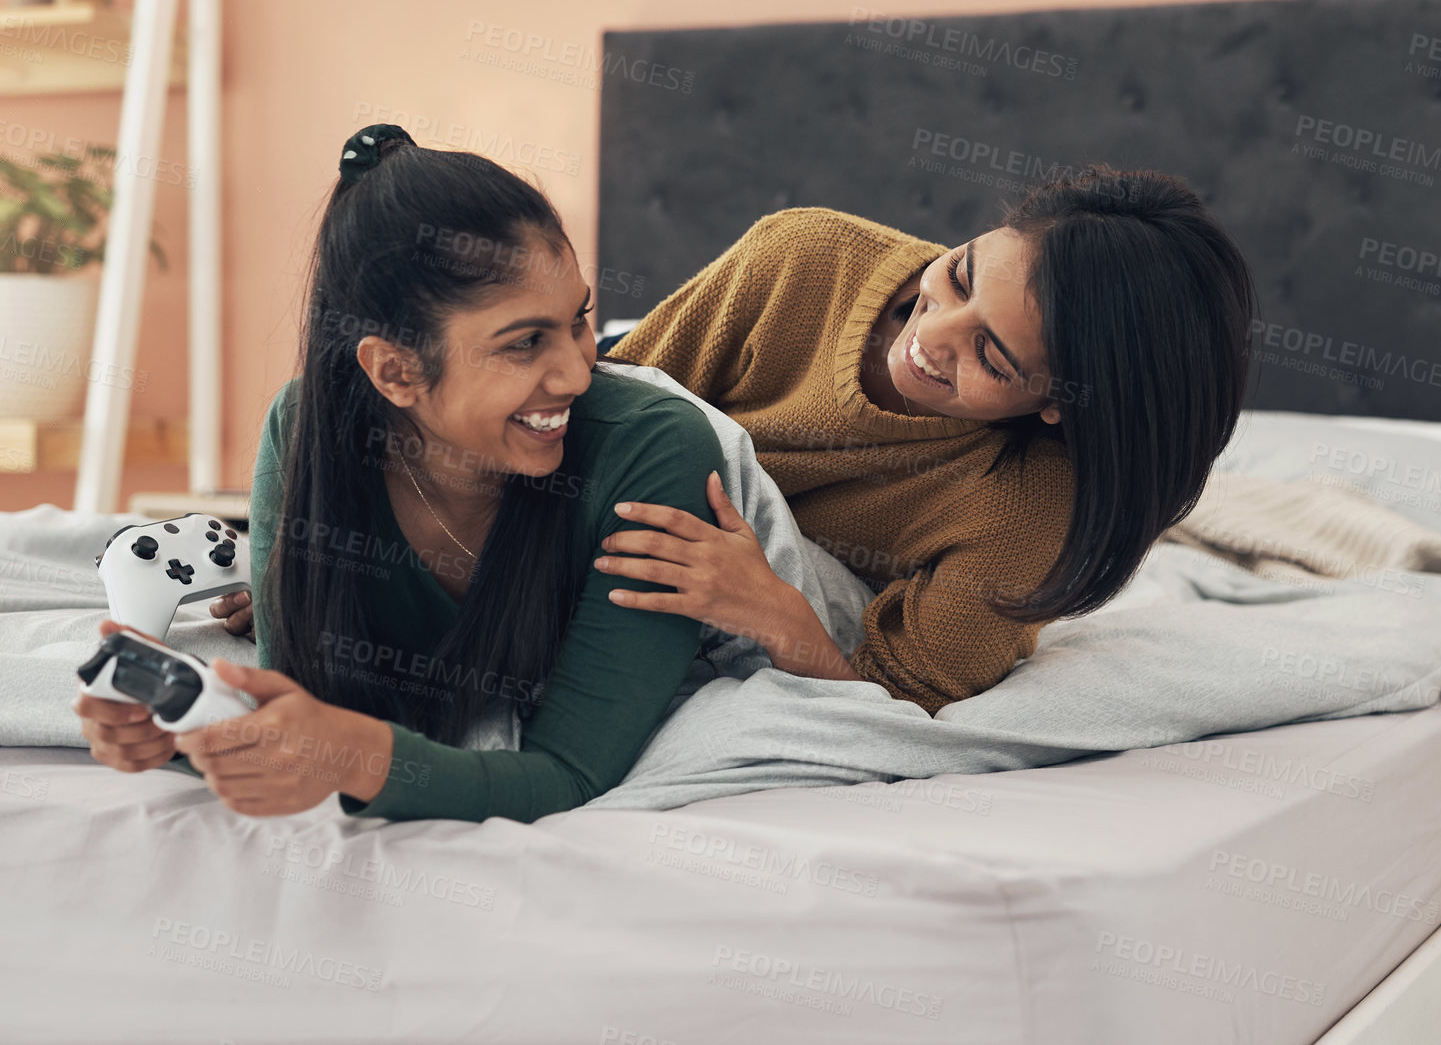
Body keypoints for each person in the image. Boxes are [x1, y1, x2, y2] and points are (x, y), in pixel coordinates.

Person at [72, 124, 735, 822]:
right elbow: (297, 703)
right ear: (394, 371)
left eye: (580, 319)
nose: (578, 369)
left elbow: (567, 774)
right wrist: (180, 734)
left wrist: (356, 757)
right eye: (525, 343)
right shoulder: (304, 427)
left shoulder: (653, 450)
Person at [599, 167, 1257, 713]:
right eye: (961, 278)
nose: (932, 338)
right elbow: (614, 411)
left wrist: (774, 614)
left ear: (1059, 403)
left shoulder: (1029, 512)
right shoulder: (803, 253)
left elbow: (899, 703)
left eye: (992, 359)